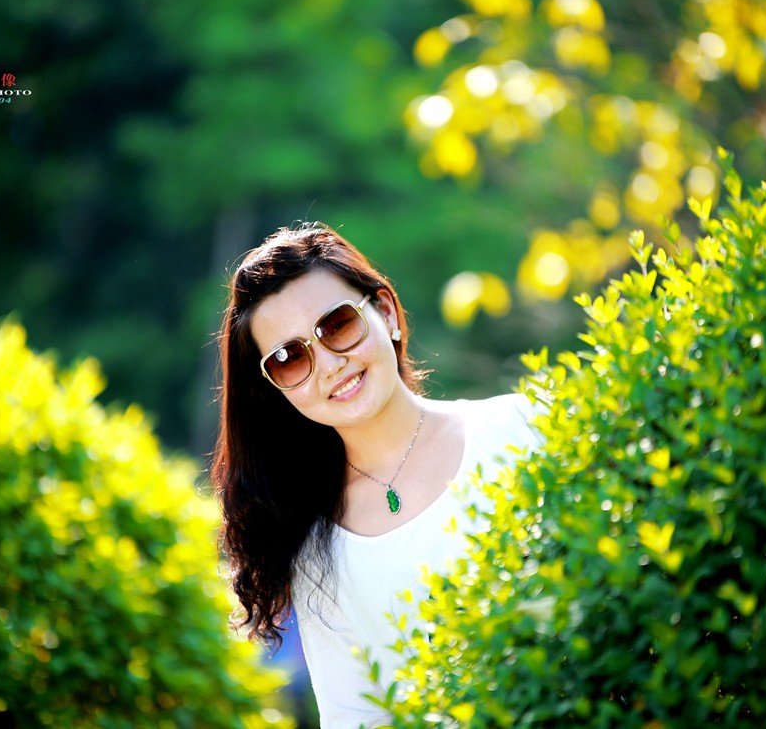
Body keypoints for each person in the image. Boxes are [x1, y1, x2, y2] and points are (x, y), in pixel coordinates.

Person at [212, 222, 541, 727]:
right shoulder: (317, 549)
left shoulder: (521, 427)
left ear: (384, 312)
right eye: (289, 358)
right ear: (276, 389)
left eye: (337, 324)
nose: (329, 364)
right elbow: (356, 717)